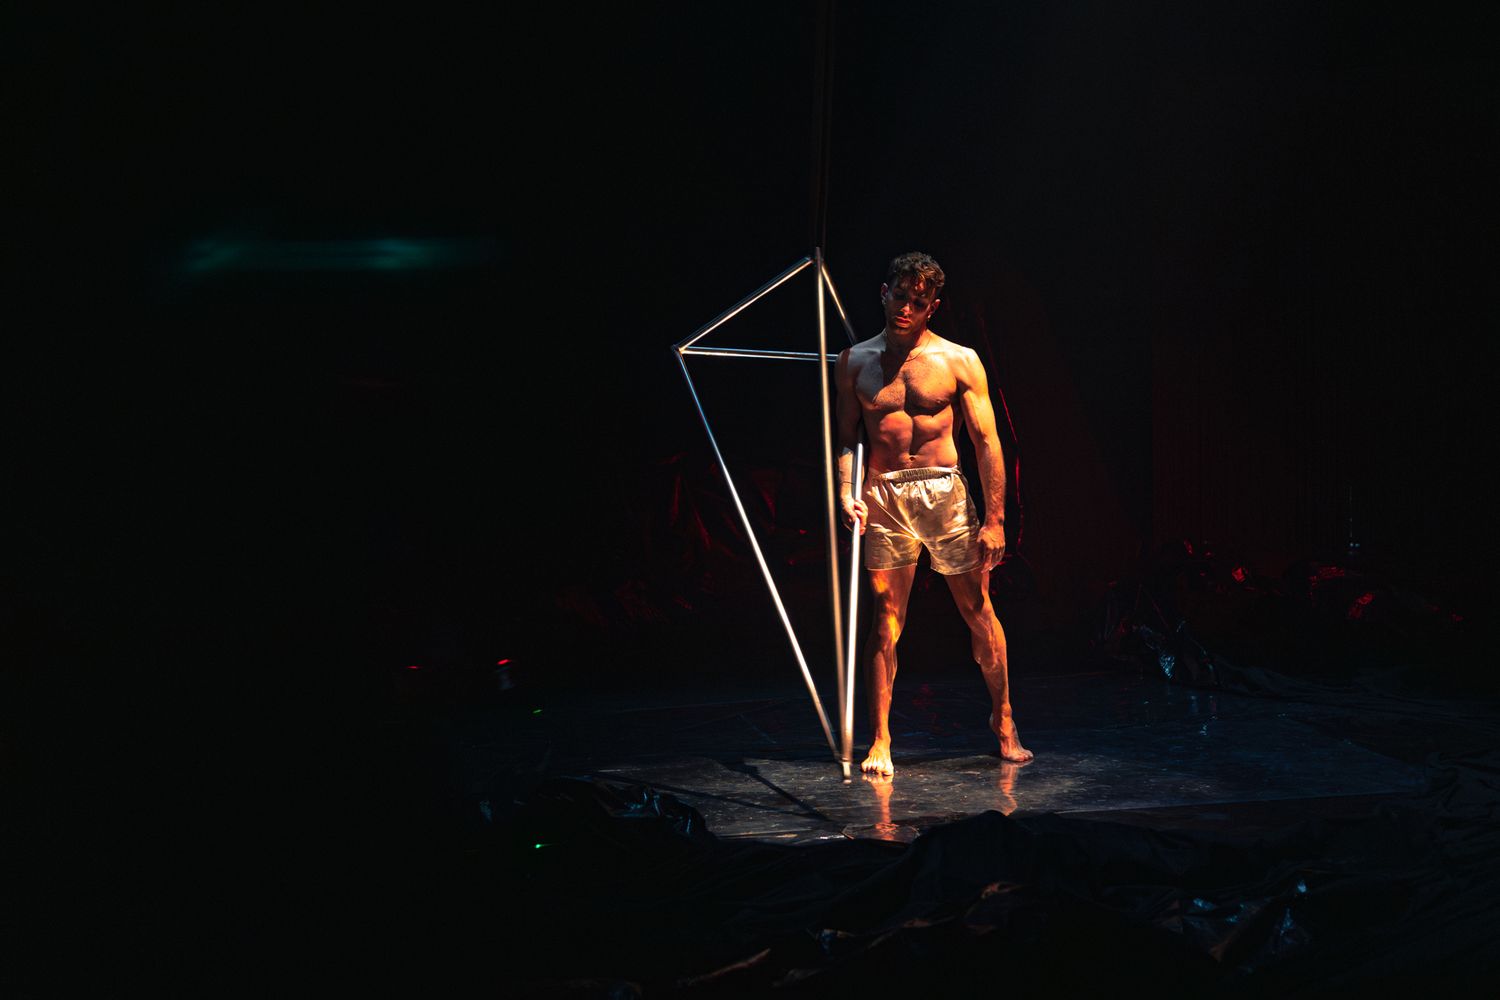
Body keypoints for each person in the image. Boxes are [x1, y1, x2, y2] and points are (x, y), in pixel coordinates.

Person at [836, 251, 1032, 775]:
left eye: (918, 302)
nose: (906, 308)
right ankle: (881, 739)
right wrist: (845, 490)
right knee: (885, 621)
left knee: (978, 611)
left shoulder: (958, 360)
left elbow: (987, 441)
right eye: (900, 297)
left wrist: (995, 520)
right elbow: (846, 437)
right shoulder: (854, 361)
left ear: (933, 308)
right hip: (884, 496)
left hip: (944, 494)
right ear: (884, 294)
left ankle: (1004, 719)